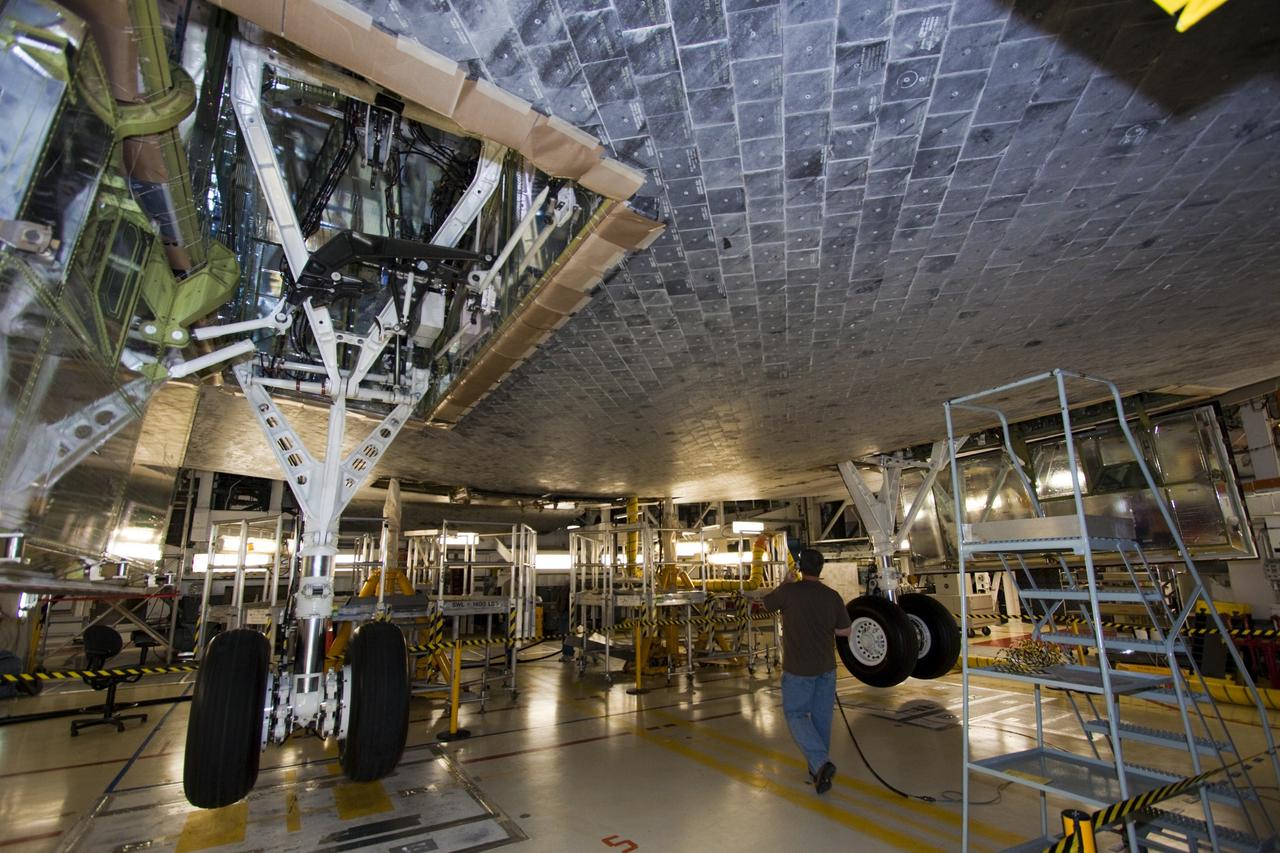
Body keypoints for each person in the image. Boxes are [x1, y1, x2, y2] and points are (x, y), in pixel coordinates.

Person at [762, 548, 852, 794]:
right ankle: (817, 770)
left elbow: (763, 605)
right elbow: (845, 631)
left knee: (796, 715)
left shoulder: (789, 592)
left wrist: (784, 583)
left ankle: (821, 763)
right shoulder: (832, 596)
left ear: (800, 568)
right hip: (826, 668)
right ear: (821, 569)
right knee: (822, 718)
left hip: (798, 670)